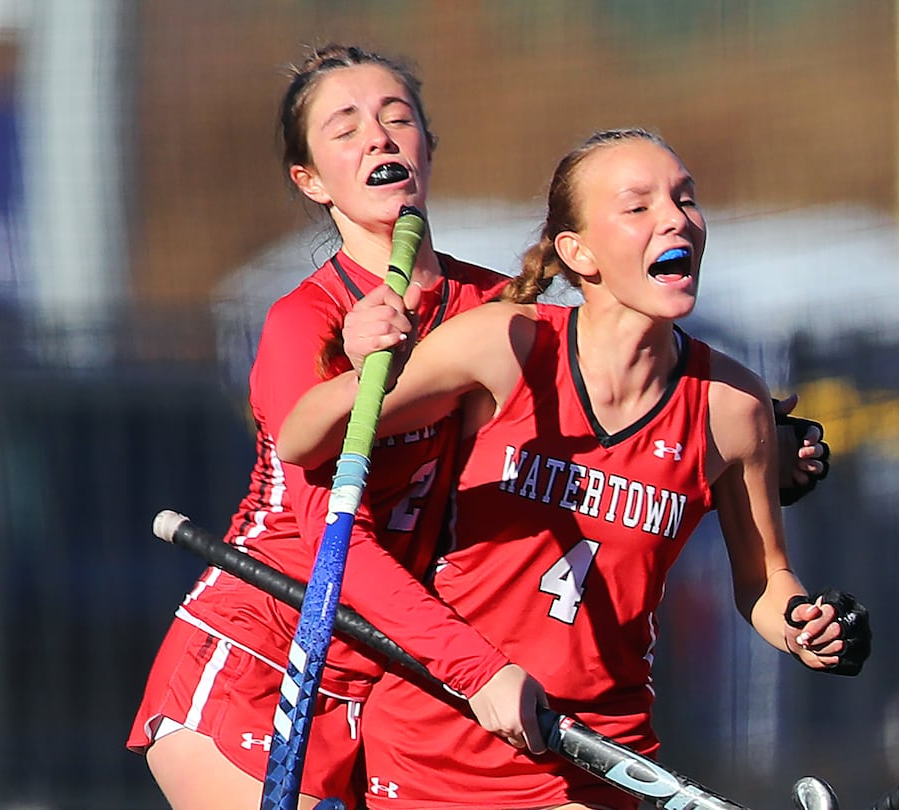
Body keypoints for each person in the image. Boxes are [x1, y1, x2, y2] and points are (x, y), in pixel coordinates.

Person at [127, 46, 833, 810]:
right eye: (346, 128)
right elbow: (341, 540)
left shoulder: (495, 314)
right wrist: (476, 668)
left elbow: (605, 377)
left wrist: (759, 438)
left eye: (398, 119)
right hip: (269, 647)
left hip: (395, 673)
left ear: (428, 145)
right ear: (309, 179)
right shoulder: (308, 321)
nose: (379, 138)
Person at [277, 127, 873, 809]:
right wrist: (375, 361)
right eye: (639, 206)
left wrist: (802, 624)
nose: (676, 218)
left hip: (594, 755)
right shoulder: (508, 344)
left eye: (685, 199)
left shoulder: (731, 407)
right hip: (435, 748)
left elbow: (764, 580)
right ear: (577, 252)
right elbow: (300, 440)